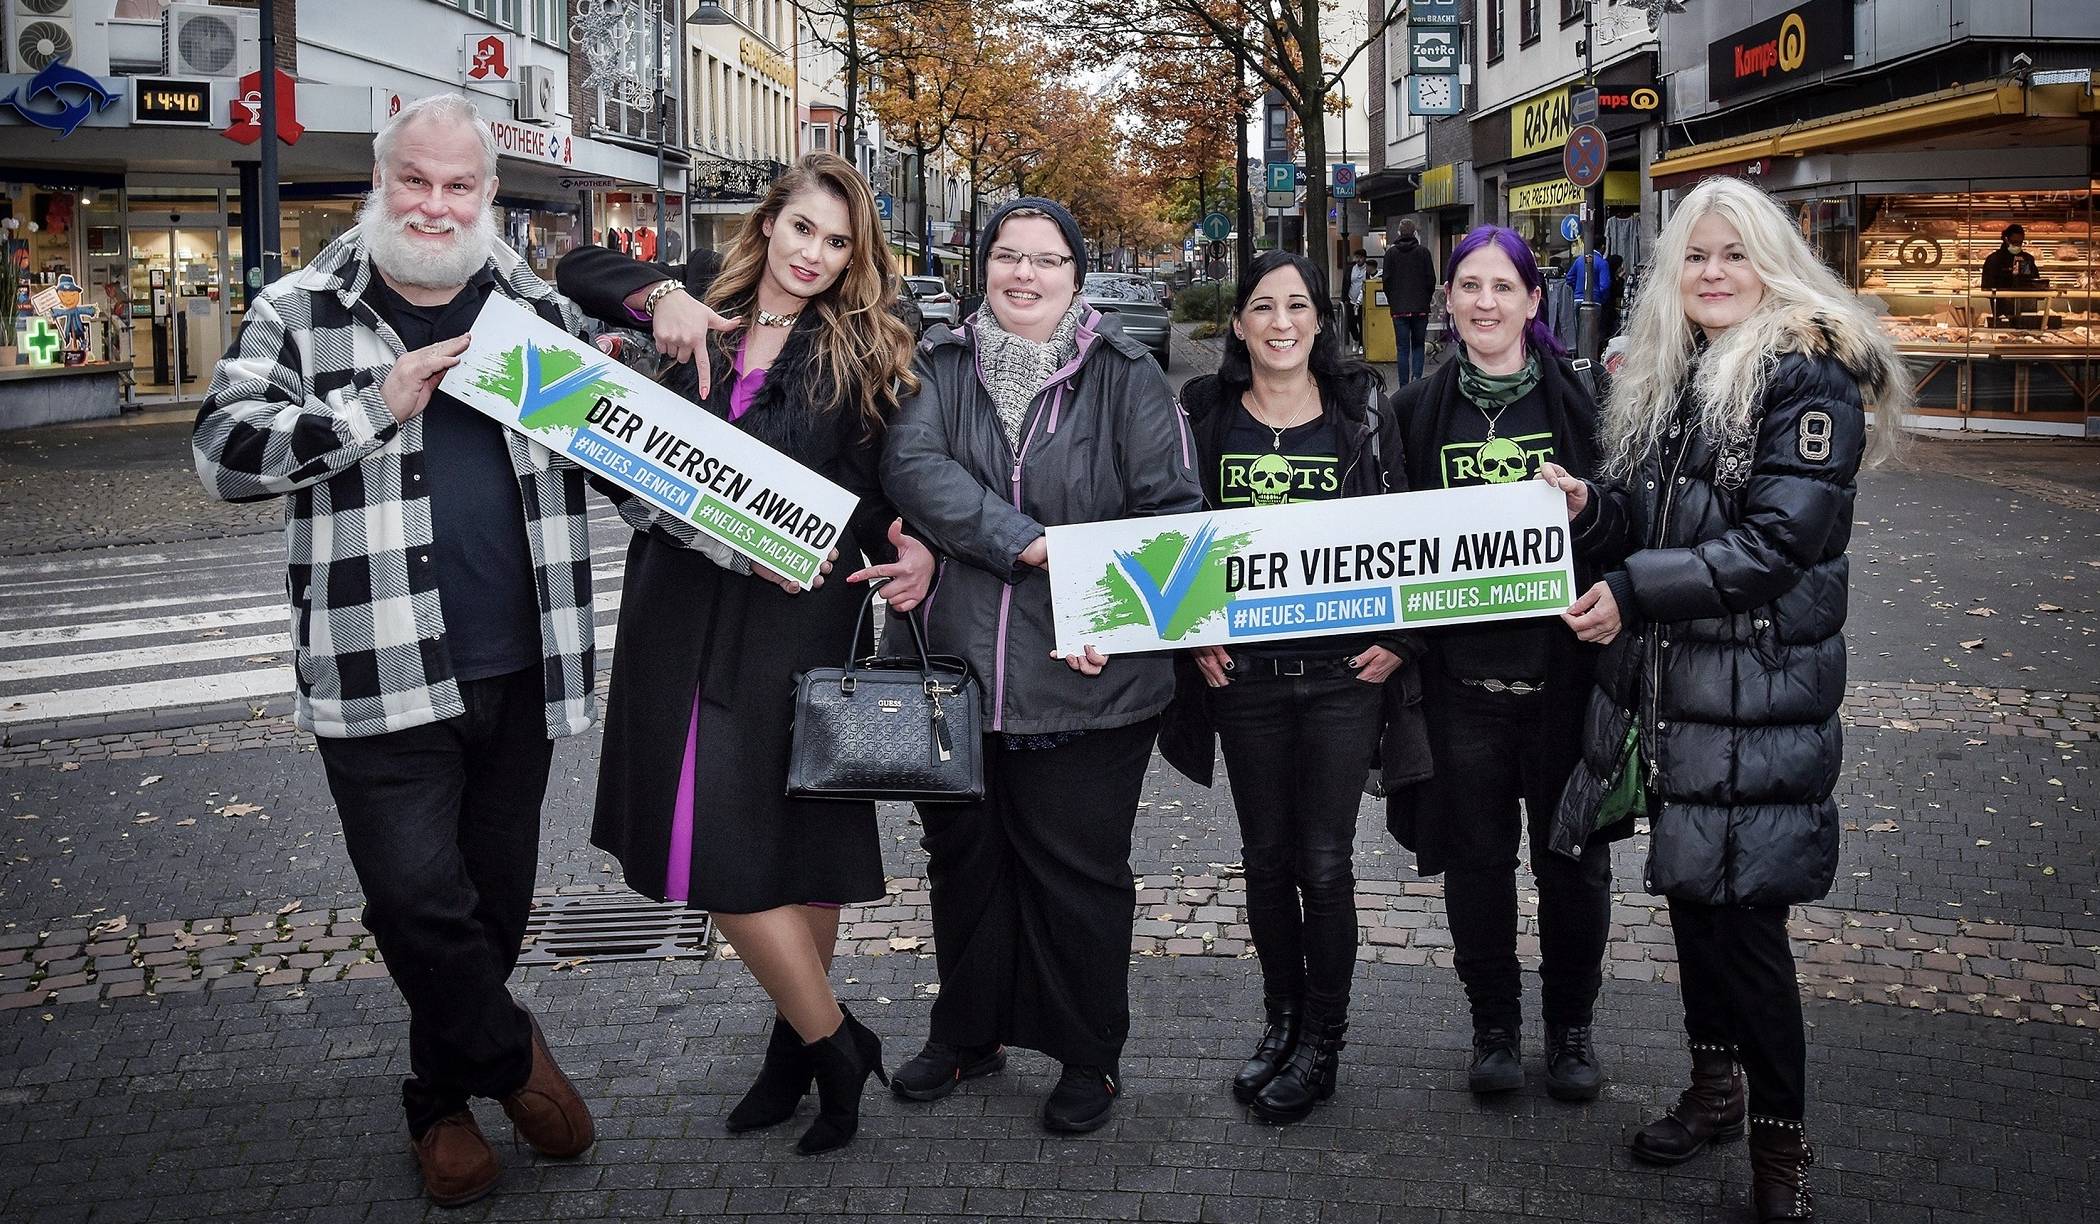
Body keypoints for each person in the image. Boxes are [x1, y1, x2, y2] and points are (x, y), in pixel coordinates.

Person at [192, 92, 672, 1207]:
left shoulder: (537, 315)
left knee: (491, 904)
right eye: (417, 179)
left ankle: (437, 1098)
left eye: (460, 185)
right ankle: (510, 1064)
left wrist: (769, 543)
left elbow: (636, 474)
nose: (436, 202)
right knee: (416, 898)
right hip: (375, 666)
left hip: (518, 662)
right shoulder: (302, 309)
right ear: (381, 179)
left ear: (490, 197)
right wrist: (377, 404)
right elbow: (222, 451)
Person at [1543, 175, 1909, 1223]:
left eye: (1732, 254)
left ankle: (1781, 1152)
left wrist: (1625, 591)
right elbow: (1661, 517)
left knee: (1747, 934)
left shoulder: (1805, 374)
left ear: (1771, 264)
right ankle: (1714, 1090)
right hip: (1686, 693)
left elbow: (1775, 543)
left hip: (1756, 697)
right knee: (1698, 904)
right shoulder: (1683, 370)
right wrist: (1591, 503)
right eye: (1694, 257)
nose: (1711, 273)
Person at [563, 153, 933, 1156]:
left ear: (856, 256)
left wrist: (909, 542)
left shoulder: (867, 347)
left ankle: (803, 1045)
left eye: (837, 240)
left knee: (781, 851)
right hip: (679, 609)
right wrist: (663, 296)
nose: (814, 254)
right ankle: (829, 1042)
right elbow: (575, 266)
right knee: (712, 842)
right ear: (769, 223)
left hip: (790, 620)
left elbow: (893, 481)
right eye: (802, 228)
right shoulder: (700, 309)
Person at [880, 196, 1203, 1133]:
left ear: (1076, 273)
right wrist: (1030, 544)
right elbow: (916, 470)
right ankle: (968, 1031)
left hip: (1091, 678)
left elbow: (1170, 512)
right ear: (984, 267)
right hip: (960, 669)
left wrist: (1115, 604)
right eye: (1008, 258)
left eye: (1046, 260)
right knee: (964, 863)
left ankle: (1087, 1055)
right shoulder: (937, 362)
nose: (1024, 275)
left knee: (1079, 874)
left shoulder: (1126, 374)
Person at [1160, 251, 1427, 1124]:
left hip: (1343, 679)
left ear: (1321, 321)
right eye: (1263, 307)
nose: (1281, 322)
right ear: (1237, 324)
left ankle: (1324, 1043)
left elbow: (1417, 530)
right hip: (1246, 682)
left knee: (1324, 862)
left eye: (1298, 306)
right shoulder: (1201, 414)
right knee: (1268, 865)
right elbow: (1171, 531)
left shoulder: (1363, 415)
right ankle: (1279, 1023)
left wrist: (1401, 634)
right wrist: (1190, 629)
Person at [1384, 225, 1621, 1104]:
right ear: (1446, 299)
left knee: (1573, 865)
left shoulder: (1586, 405)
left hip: (1563, 681)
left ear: (1532, 301)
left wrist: (1595, 532)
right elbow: (1382, 546)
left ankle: (1570, 1030)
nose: (1484, 301)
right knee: (1477, 864)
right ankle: (1493, 1027)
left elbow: (1624, 520)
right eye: (1468, 285)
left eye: (1502, 286)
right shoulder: (1412, 413)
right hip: (1461, 688)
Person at [1382, 219, 1437, 384]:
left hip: (1399, 309)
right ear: (1415, 233)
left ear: (1398, 233)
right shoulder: (1423, 252)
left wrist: (1393, 301)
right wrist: (1425, 300)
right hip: (1420, 308)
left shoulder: (1391, 254)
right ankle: (1417, 379)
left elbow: (1387, 281)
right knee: (1418, 345)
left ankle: (1404, 385)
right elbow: (1430, 280)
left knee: (1402, 348)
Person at [1980, 223, 2043, 326]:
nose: (2017, 245)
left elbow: (2035, 282)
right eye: (2014, 242)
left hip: (2026, 313)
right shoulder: (1994, 260)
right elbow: (1987, 287)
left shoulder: (2027, 259)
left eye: (2020, 243)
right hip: (2002, 313)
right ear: (2006, 239)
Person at [1344, 251, 1368, 352]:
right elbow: (1345, 284)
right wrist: (1344, 298)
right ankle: (1356, 339)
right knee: (1351, 323)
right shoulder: (1351, 269)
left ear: (1364, 258)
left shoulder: (1368, 269)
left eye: (1360, 257)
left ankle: (1362, 344)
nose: (1358, 260)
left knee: (1362, 324)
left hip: (1363, 302)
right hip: (1351, 300)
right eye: (1356, 257)